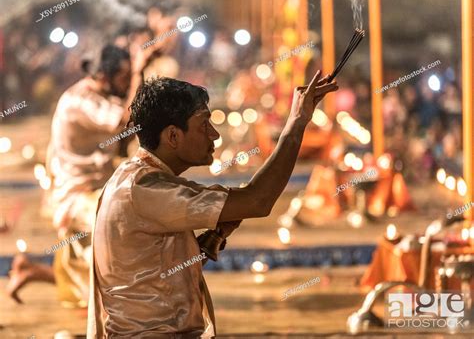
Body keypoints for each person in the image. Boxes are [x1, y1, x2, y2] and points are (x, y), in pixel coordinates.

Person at [87, 72, 338, 338]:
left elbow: (152, 271)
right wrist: (297, 122)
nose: (215, 135)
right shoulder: (146, 189)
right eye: (204, 124)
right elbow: (258, 200)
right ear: (173, 136)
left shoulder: (136, 178)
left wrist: (213, 238)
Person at [7, 44, 149, 306]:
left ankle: (31, 271)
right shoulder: (80, 100)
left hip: (93, 189)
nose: (128, 82)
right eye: (124, 77)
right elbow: (125, 121)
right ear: (104, 77)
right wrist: (140, 69)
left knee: (88, 281)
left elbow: (130, 127)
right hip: (76, 195)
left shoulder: (100, 96)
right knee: (121, 225)